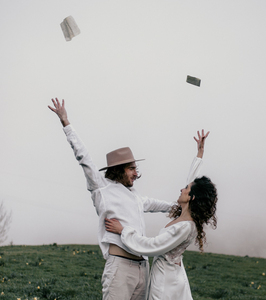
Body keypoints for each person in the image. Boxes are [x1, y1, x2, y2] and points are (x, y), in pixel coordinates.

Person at [48, 98, 172, 300]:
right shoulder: (101, 188)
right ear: (119, 170)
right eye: (132, 169)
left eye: (135, 169)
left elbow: (157, 204)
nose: (136, 173)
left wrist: (182, 206)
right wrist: (66, 122)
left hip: (143, 268)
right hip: (120, 268)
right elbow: (83, 157)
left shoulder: (135, 196)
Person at [105, 130, 217, 300]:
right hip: (172, 275)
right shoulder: (188, 216)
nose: (181, 189)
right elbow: (191, 184)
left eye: (185, 189)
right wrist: (199, 154)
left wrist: (123, 230)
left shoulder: (185, 226)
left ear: (191, 197)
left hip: (166, 281)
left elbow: (152, 245)